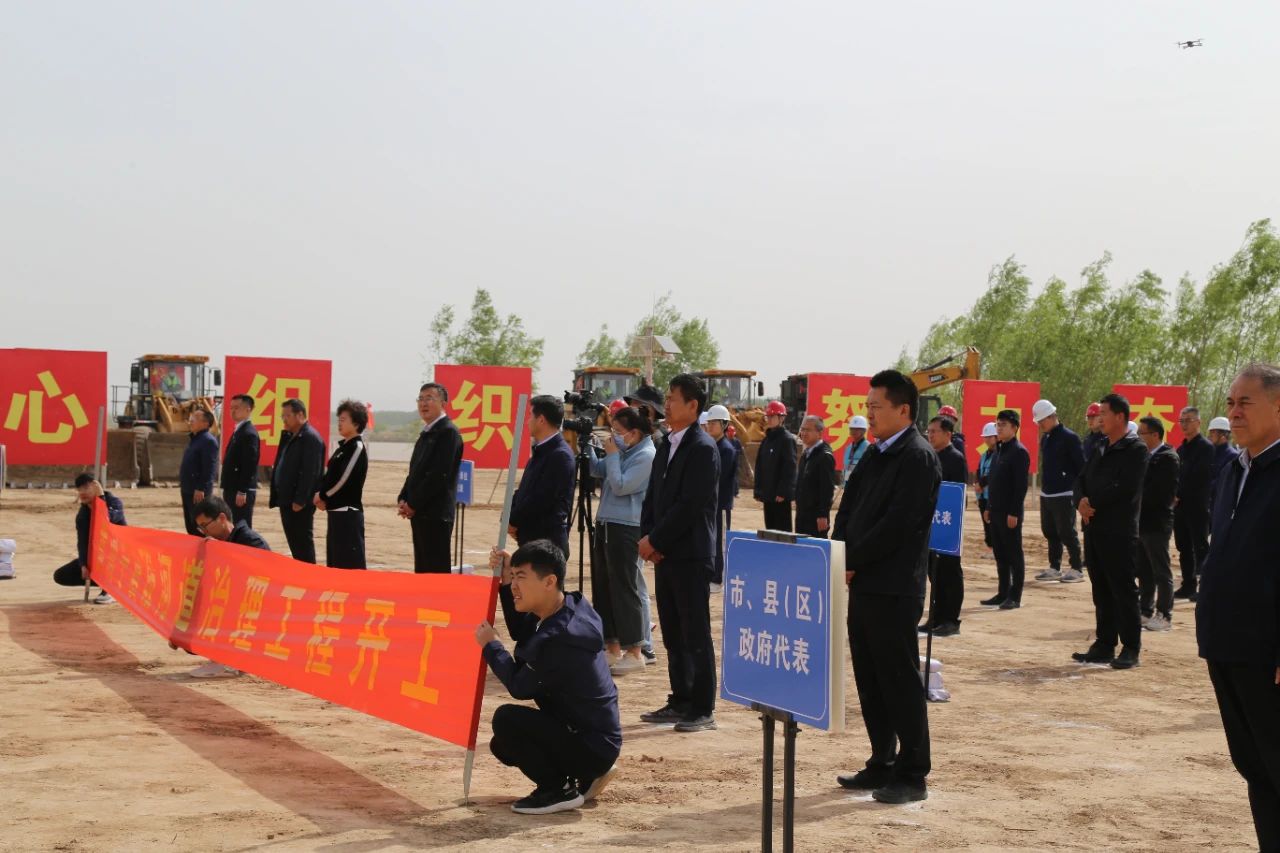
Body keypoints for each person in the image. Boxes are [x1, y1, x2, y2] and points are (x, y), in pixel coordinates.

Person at [832, 369, 940, 804]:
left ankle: (913, 773)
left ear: (903, 410)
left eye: (876, 407)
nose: (869, 415)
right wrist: (840, 553)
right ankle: (882, 760)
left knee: (898, 678)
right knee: (870, 677)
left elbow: (898, 526)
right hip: (863, 581)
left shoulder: (918, 457)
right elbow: (848, 510)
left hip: (895, 586)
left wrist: (852, 558)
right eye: (868, 406)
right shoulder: (875, 454)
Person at [1195, 363, 1280, 852]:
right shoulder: (1232, 468)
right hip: (1226, 642)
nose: (1233, 412)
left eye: (1245, 403)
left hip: (1267, 651)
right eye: (1230, 402)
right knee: (1254, 766)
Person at [479, 541, 622, 815]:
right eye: (514, 577)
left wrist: (492, 646)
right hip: (594, 736)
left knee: (506, 720)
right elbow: (524, 631)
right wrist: (507, 577)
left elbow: (519, 686)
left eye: (521, 578)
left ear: (549, 581)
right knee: (503, 744)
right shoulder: (570, 606)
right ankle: (586, 774)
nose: (514, 587)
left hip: (592, 744)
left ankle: (557, 790)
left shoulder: (559, 639)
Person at [638, 374, 720, 733]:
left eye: (673, 399)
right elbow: (653, 498)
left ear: (693, 406)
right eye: (667, 398)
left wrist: (656, 540)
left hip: (690, 554)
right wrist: (648, 536)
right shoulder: (666, 444)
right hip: (665, 553)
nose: (666, 404)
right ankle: (680, 698)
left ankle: (702, 707)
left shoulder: (702, 448)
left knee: (694, 632)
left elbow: (691, 506)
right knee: (672, 631)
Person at [1073, 393, 1148, 670]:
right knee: (1101, 588)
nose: (1099, 418)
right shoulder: (1101, 446)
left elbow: (1125, 488)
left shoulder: (1136, 449)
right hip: (1093, 528)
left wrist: (1092, 504)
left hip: (1118, 531)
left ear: (1120, 416)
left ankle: (1130, 647)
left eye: (1104, 412)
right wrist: (1079, 501)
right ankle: (1105, 643)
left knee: (1123, 589)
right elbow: (1081, 478)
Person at [588, 405, 656, 677]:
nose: (614, 436)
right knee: (605, 588)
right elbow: (597, 469)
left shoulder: (646, 455)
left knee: (625, 589)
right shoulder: (625, 451)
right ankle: (612, 647)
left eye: (618, 431)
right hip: (607, 524)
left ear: (634, 433)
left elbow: (620, 484)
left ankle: (635, 651)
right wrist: (587, 445)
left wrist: (613, 454)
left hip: (627, 527)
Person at [182, 495, 272, 678]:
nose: (204, 532)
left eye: (206, 525)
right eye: (201, 528)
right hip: (240, 603)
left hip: (258, 606)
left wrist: (222, 554)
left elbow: (259, 579)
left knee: (217, 603)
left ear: (222, 518)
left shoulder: (251, 541)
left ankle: (223, 658)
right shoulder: (222, 542)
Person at [397, 383, 464, 573]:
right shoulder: (427, 433)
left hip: (436, 514)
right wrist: (403, 498)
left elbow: (438, 475)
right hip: (420, 512)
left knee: (435, 571)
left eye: (429, 398)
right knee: (423, 570)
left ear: (443, 403)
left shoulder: (448, 432)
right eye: (421, 399)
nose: (423, 403)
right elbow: (415, 471)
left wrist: (414, 503)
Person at [509, 395, 576, 559]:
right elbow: (524, 490)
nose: (527, 421)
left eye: (531, 415)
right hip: (532, 540)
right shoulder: (541, 451)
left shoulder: (560, 455)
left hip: (547, 544)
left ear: (541, 420)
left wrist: (514, 521)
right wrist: (509, 518)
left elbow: (541, 499)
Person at [921, 415, 966, 636]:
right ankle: (936, 617)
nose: (930, 435)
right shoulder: (929, 456)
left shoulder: (955, 458)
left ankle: (951, 619)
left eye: (934, 431)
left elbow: (958, 494)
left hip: (948, 525)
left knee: (950, 572)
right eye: (928, 431)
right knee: (933, 571)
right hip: (930, 524)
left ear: (948, 434)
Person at [1032, 399, 1085, 583]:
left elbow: (1081, 466)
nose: (1040, 425)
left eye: (1042, 421)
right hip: (1047, 492)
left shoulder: (1070, 438)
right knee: (1050, 531)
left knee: (1067, 531)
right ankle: (1054, 566)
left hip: (1064, 493)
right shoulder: (1045, 438)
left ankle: (1077, 567)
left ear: (1052, 416)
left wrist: (1078, 490)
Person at [52, 473, 126, 605]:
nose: (82, 492)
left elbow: (106, 520)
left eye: (86, 487)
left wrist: (101, 497)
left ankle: (111, 587)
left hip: (117, 555)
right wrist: (83, 564)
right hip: (96, 556)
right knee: (61, 575)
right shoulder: (82, 514)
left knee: (109, 556)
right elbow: (82, 542)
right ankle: (111, 582)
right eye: (79, 489)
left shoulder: (114, 503)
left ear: (96, 486)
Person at [1134, 416, 1179, 631]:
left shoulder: (1167, 458)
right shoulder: (1143, 456)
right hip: (1140, 521)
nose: (1138, 437)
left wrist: (1135, 498)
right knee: (1143, 569)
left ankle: (1164, 614)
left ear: (1154, 435)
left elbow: (1160, 492)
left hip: (1157, 521)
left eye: (1142, 433)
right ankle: (1145, 609)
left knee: (1161, 570)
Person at [982, 410, 1029, 610]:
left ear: (1014, 428)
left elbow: (1020, 486)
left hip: (1010, 512)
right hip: (996, 510)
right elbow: (994, 481)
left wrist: (1014, 513)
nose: (999, 428)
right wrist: (988, 508)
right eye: (997, 424)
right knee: (1000, 554)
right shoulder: (999, 450)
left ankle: (1015, 596)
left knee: (1014, 554)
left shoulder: (1019, 452)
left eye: (1003, 425)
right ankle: (1002, 593)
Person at [268, 398, 325, 563]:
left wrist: (300, 499)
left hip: (299, 504)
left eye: (287, 415)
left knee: (302, 544)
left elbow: (310, 473)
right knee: (295, 543)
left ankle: (309, 578)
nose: (284, 419)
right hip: (287, 499)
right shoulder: (291, 436)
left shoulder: (310, 438)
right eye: (282, 416)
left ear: (300, 415)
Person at [315, 400, 369, 569]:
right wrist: (323, 498)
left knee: (349, 566)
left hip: (348, 514)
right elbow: (330, 476)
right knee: (335, 563)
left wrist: (322, 496)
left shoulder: (357, 447)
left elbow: (344, 478)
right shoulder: (342, 448)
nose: (339, 423)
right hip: (335, 512)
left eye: (344, 419)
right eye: (339, 419)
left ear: (356, 423)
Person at [1174, 406, 1214, 602]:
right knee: (1183, 547)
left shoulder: (1206, 448)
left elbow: (1199, 477)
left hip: (1197, 505)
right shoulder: (1181, 449)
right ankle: (1188, 584)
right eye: (1181, 421)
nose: (1184, 424)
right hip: (1179, 507)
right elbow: (1176, 477)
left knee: (1200, 547)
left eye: (1188, 420)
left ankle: (1206, 587)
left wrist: (1179, 494)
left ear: (1198, 422)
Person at [701, 404, 737, 584]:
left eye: (714, 423)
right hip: (712, 502)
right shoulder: (713, 446)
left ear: (724, 425)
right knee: (711, 536)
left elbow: (720, 478)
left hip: (721, 502)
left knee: (720, 540)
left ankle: (718, 575)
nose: (710, 426)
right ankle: (711, 571)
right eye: (709, 423)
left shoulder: (726, 449)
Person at [754, 400, 796, 532]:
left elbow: (790, 467)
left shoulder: (787, 440)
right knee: (770, 530)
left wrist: (783, 491)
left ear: (782, 418)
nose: (770, 419)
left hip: (780, 498)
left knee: (783, 532)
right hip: (768, 495)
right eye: (768, 416)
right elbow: (759, 466)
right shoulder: (766, 440)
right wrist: (758, 490)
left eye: (773, 416)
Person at [220, 394, 260, 527]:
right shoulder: (239, 430)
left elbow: (250, 464)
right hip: (232, 488)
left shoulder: (249, 433)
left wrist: (242, 490)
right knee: (233, 525)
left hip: (240, 491)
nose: (232, 411)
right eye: (231, 408)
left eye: (236, 408)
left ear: (248, 409)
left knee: (242, 527)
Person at [794, 415, 836, 538]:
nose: (804, 433)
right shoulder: (806, 455)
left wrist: (823, 514)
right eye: (802, 429)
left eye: (808, 430)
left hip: (816, 517)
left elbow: (827, 488)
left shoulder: (824, 456)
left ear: (820, 433)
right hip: (802, 513)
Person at [179, 409, 219, 537]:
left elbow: (209, 467)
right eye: (191, 417)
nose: (190, 420)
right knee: (191, 524)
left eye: (195, 418)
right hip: (188, 488)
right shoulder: (195, 439)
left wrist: (201, 488)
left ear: (205, 423)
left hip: (198, 492)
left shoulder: (208, 441)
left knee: (200, 525)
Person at [1206, 415, 1240, 512]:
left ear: (1223, 435)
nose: (1210, 435)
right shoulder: (1211, 453)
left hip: (1221, 508)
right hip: (1208, 507)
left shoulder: (1233, 456)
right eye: (1210, 432)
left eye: (1213, 432)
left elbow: (1222, 483)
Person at [974, 422, 997, 554]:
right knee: (986, 523)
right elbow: (979, 470)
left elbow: (993, 473)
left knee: (993, 523)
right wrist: (977, 483)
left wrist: (981, 484)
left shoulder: (999, 454)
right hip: (982, 495)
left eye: (989, 437)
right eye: (985, 437)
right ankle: (990, 548)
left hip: (991, 495)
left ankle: (995, 549)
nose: (986, 440)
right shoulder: (985, 454)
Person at [843, 414, 871, 485]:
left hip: (862, 486)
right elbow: (846, 467)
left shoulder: (869, 448)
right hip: (848, 485)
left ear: (864, 431)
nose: (853, 431)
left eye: (857, 429)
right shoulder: (848, 448)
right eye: (852, 428)